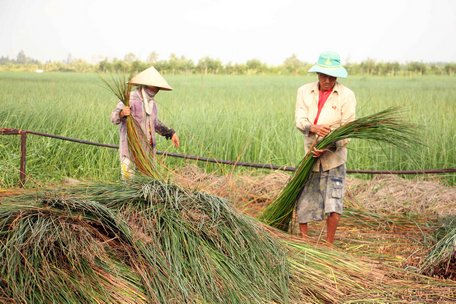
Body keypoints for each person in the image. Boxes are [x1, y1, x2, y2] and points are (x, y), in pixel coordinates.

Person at [295, 51, 356, 244]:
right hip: (310, 156)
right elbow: (300, 118)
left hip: (334, 159)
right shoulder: (304, 91)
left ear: (337, 76)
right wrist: (312, 127)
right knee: (304, 200)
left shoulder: (346, 95)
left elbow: (347, 129)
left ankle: (328, 245)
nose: (327, 80)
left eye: (331, 76)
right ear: (317, 74)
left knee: (334, 203)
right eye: (323, 75)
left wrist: (328, 144)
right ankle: (304, 241)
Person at [111, 66, 180, 180]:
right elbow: (113, 118)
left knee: (144, 185)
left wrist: (170, 133)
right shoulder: (130, 99)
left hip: (147, 153)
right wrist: (122, 113)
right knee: (128, 185)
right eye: (154, 86)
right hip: (130, 151)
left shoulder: (152, 104)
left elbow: (155, 123)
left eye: (158, 87)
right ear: (145, 84)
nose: (156, 89)